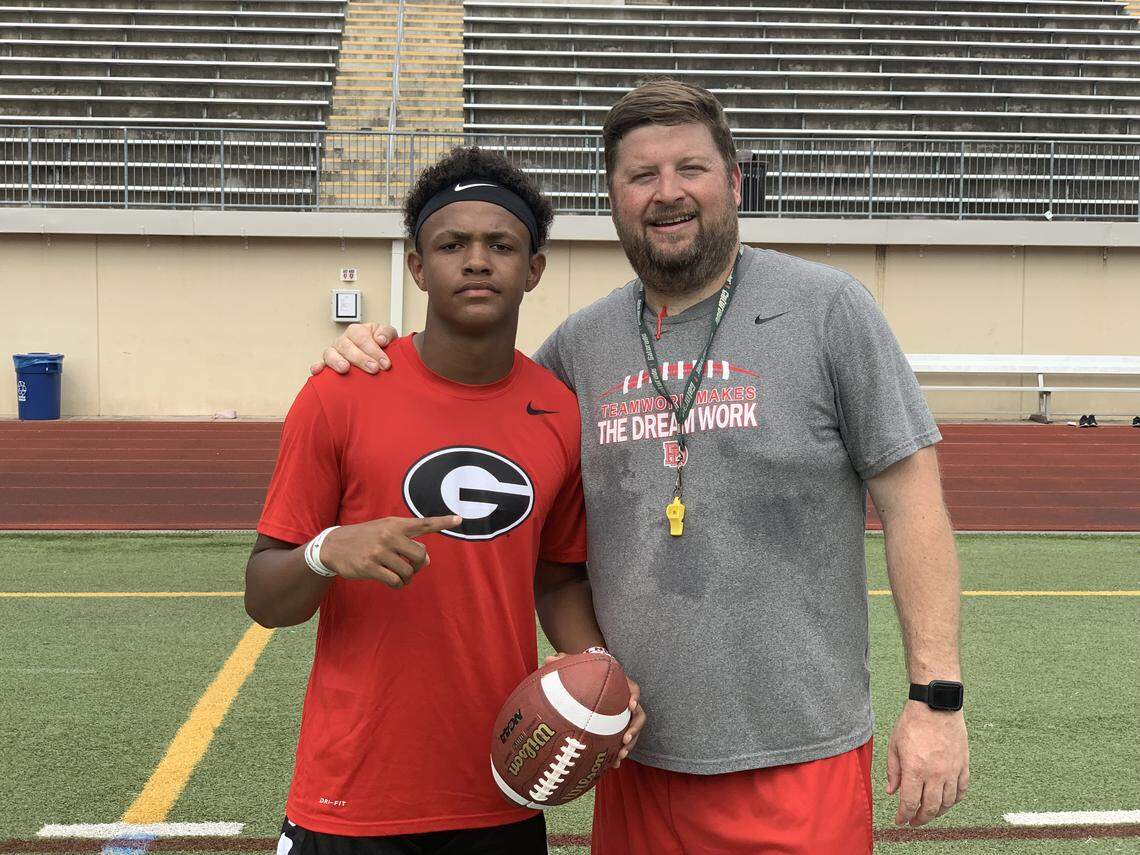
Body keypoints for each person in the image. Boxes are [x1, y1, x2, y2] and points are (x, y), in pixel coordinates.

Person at [314, 80, 969, 854]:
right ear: (614, 197)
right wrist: (376, 354)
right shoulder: (575, 352)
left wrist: (936, 697)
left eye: (690, 168)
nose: (668, 194)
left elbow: (913, 502)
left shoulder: (828, 309)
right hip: (632, 762)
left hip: (800, 756)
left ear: (733, 179)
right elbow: (485, 442)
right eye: (640, 176)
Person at [246, 146, 644, 855]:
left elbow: (555, 575)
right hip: (352, 798)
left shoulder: (558, 412)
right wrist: (326, 549)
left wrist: (596, 667)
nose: (477, 260)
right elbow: (265, 596)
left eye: (501, 244)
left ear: (534, 268)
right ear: (418, 266)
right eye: (451, 243)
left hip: (501, 788)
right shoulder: (339, 393)